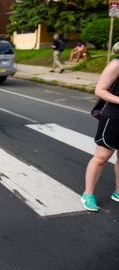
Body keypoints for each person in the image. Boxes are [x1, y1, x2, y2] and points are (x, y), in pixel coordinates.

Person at [81, 42, 119, 212]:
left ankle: (118, 192)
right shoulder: (116, 64)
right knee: (102, 157)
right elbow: (100, 90)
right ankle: (88, 194)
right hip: (114, 117)